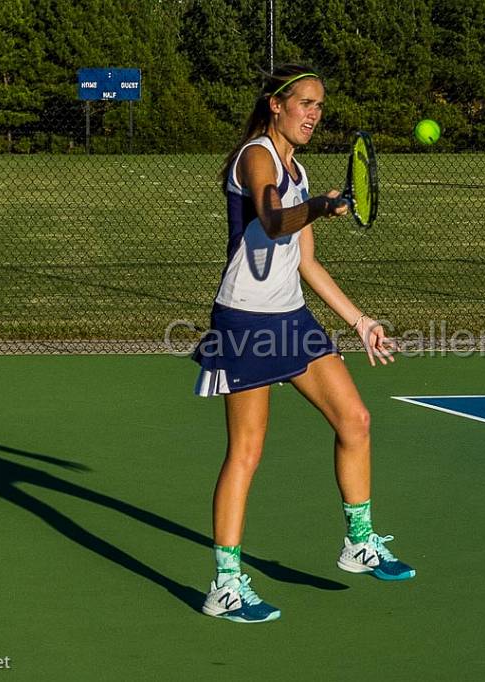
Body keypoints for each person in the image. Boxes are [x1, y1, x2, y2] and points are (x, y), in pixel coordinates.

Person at [193, 65, 415, 624]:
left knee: (355, 420)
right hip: (246, 320)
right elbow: (271, 220)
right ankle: (224, 584)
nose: (314, 114)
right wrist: (318, 205)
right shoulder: (257, 156)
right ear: (276, 104)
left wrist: (359, 320)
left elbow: (307, 261)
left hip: (292, 317)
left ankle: (358, 543)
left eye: (320, 106)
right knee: (246, 452)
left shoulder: (299, 167)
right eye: (306, 103)